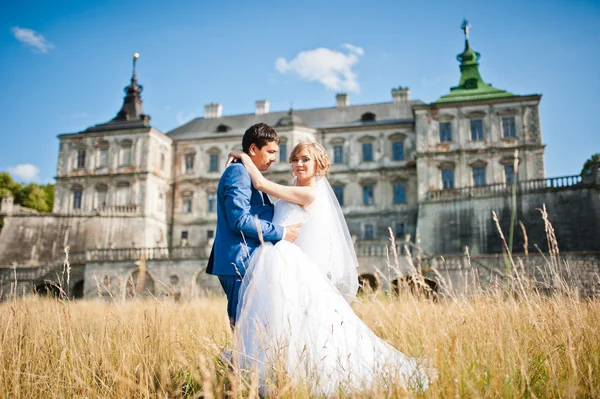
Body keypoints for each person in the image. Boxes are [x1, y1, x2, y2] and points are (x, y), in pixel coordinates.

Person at [228, 142, 434, 395]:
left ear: (317, 166)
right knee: (279, 321)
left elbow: (260, 184)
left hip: (286, 259)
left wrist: (241, 156)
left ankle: (293, 375)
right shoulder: (294, 190)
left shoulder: (309, 194)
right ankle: (276, 373)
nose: (298, 164)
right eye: (294, 159)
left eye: (305, 159)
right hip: (278, 259)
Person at [205, 123, 302, 330]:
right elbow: (239, 220)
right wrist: (282, 233)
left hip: (247, 258)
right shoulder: (238, 173)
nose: (274, 158)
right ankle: (241, 363)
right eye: (270, 151)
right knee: (243, 328)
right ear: (253, 149)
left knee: (252, 328)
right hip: (239, 260)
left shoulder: (246, 171)